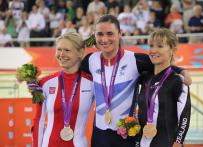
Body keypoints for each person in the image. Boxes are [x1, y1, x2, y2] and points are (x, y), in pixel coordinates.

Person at [81, 14, 191, 147]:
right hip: (99, 135)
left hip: (125, 135)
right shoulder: (90, 60)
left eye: (110, 33)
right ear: (94, 35)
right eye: (100, 34)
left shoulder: (135, 59)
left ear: (120, 34)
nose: (105, 39)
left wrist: (182, 71)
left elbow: (162, 64)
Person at [31, 32, 94, 147]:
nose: (61, 54)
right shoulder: (44, 83)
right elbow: (38, 120)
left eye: (67, 50)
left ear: (80, 52)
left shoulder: (92, 83)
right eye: (59, 49)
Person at [136, 28, 191, 147]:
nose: (153, 50)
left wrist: (178, 142)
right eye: (151, 45)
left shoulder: (178, 81)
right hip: (141, 142)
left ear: (173, 50)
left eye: (160, 46)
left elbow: (184, 116)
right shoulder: (145, 77)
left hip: (167, 142)